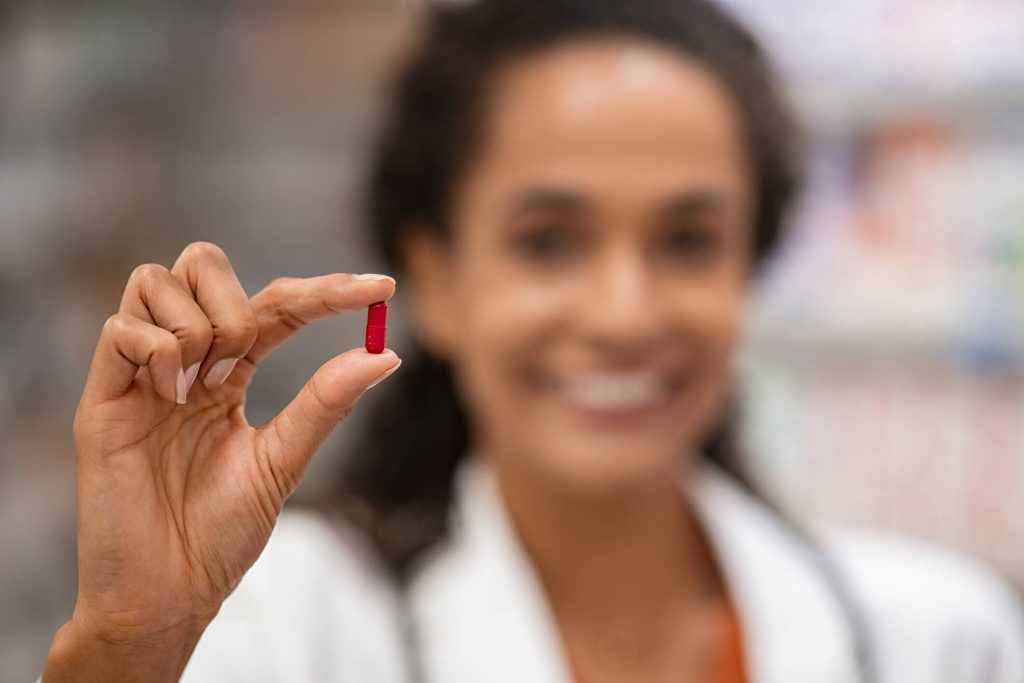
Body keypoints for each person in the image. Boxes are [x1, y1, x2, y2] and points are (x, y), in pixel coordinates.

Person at [40, 1, 1024, 682]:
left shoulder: (938, 637)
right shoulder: (269, 623)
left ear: (749, 269)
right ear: (437, 279)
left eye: (688, 240)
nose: (624, 311)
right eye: (547, 241)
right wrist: (128, 641)